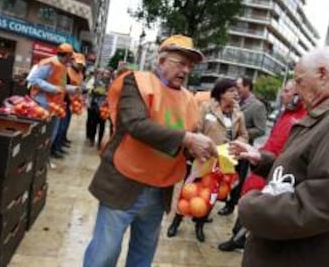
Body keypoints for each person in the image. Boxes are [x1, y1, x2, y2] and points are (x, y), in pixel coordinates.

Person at [230, 47, 329, 267]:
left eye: (299, 81)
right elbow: (302, 172)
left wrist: (251, 207)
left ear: (323, 74)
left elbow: (323, 204)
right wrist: (263, 162)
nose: (296, 91)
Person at [83, 35, 218, 267]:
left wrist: (197, 151)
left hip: (159, 190)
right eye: (180, 63)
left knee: (142, 257)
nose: (185, 70)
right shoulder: (137, 82)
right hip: (123, 183)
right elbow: (135, 124)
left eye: (190, 66)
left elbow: (185, 140)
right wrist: (187, 139)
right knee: (103, 255)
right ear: (162, 60)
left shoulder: (189, 99)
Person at [218, 79, 306, 252]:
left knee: (257, 206)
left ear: (297, 95)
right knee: (247, 197)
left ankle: (240, 238)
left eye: (287, 91)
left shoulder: (302, 117)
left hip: (276, 170)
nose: (283, 94)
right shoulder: (285, 113)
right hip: (263, 163)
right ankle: (238, 235)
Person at [166, 78, 248, 242]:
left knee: (210, 195)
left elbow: (244, 135)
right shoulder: (206, 107)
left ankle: (200, 225)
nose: (236, 94)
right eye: (232, 91)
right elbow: (196, 129)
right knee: (188, 192)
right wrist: (199, 147)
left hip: (222, 162)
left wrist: (237, 144)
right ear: (222, 93)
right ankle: (176, 222)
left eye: (236, 91)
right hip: (202, 159)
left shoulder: (239, 115)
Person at [218, 76, 267, 216]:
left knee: (237, 178)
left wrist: (240, 133)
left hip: (243, 149)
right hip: (227, 147)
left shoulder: (257, 106)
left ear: (247, 87)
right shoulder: (233, 102)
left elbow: (261, 129)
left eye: (238, 88)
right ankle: (220, 197)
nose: (236, 91)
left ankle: (231, 204)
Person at [28, 43, 78, 159]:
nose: (71, 60)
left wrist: (70, 89)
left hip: (55, 106)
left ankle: (43, 159)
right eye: (70, 57)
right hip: (43, 104)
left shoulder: (63, 66)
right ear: (66, 56)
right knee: (42, 134)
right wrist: (53, 89)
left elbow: (60, 85)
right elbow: (33, 79)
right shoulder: (49, 63)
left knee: (52, 134)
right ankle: (37, 159)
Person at [52, 52, 86, 154]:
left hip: (71, 102)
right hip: (63, 101)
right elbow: (61, 86)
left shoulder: (80, 73)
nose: (79, 66)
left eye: (81, 64)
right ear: (72, 61)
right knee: (60, 126)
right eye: (78, 63)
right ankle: (55, 148)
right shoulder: (66, 70)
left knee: (65, 125)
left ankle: (60, 143)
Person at [87, 68, 112, 149]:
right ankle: (92, 139)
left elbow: (113, 94)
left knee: (102, 125)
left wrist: (107, 94)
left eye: (108, 74)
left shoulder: (111, 83)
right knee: (93, 123)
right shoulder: (96, 81)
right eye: (105, 73)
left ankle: (99, 142)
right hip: (95, 105)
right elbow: (90, 90)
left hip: (105, 107)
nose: (106, 75)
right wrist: (95, 91)